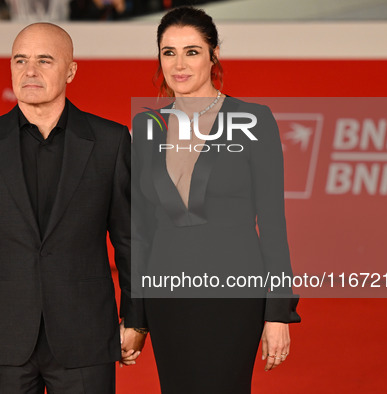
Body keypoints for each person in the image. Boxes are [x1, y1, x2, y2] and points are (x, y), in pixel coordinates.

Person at [0, 23, 146, 393]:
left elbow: (132, 239)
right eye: (20, 60)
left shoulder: (111, 141)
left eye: (44, 60)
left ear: (70, 70)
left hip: (85, 335)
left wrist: (136, 319)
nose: (29, 71)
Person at [131, 6, 300, 393]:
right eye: (168, 52)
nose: (179, 63)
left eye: (191, 51)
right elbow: (140, 228)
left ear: (214, 53)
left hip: (232, 294)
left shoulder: (253, 120)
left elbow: (273, 224)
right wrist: (136, 314)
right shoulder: (146, 126)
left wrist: (278, 313)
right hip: (166, 295)